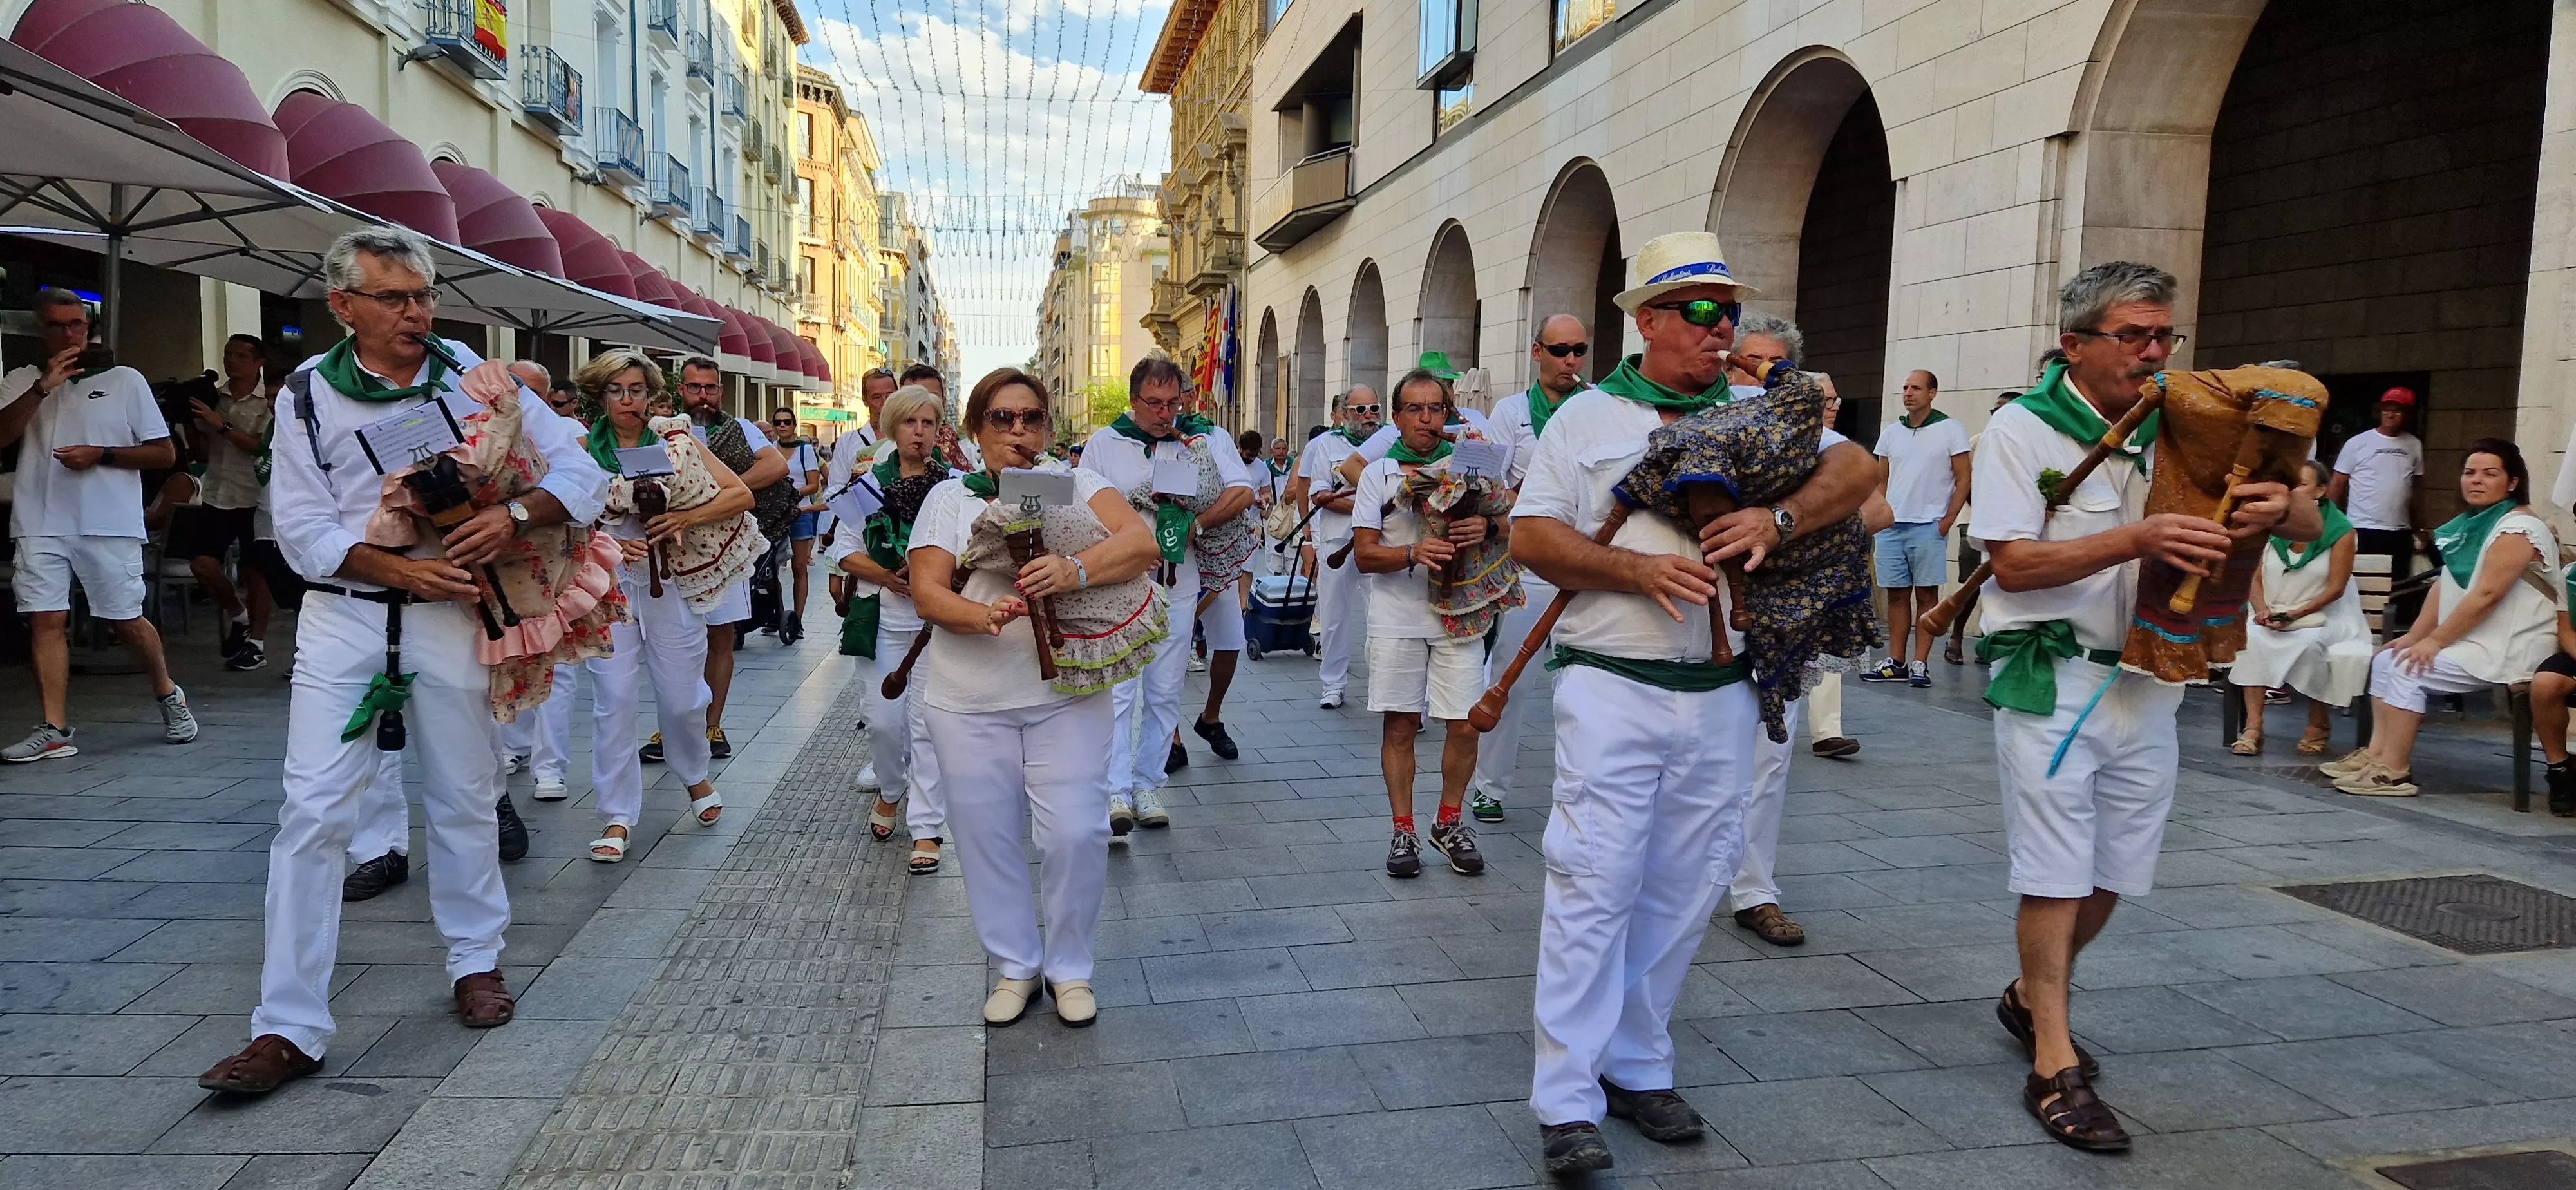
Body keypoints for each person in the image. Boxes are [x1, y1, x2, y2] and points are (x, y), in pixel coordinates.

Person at [198, 227, 610, 1095]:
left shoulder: (470, 372)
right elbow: (302, 526)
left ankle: (475, 960)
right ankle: (288, 1025)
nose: (417, 312)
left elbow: (583, 470)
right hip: (347, 621)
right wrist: (394, 569)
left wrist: (521, 516)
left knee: (465, 794)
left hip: (453, 620)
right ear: (344, 305)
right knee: (311, 813)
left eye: (424, 295)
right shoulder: (308, 391)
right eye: (395, 298)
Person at [1514, 232, 1876, 1175]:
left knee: (1685, 888)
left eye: (1732, 316)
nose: (1725, 334)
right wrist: (1631, 568)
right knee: (1594, 885)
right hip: (1610, 683)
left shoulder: (1763, 411)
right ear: (1649, 322)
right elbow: (1533, 539)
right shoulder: (1584, 420)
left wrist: (1781, 516)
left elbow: (1860, 475)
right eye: (1705, 314)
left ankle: (1639, 1066)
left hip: (1726, 690)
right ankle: (1565, 1099)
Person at [1970, 261, 2307, 1151]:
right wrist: (2137, 536)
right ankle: (2053, 1058)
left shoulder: (2184, 420)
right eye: (2136, 337)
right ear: (2074, 345)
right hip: (2053, 677)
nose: (2156, 354)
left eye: (2166, 337)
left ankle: (2028, 993)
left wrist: (2284, 506)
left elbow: (2318, 527)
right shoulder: (2020, 429)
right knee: (2053, 868)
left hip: (2153, 674)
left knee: (2118, 868)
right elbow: (2010, 565)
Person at [911, 368, 1161, 1028]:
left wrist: (1074, 568)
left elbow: (1140, 544)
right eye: (1001, 419)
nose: (1017, 431)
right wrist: (979, 617)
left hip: (1068, 691)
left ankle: (1070, 968)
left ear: (1048, 429)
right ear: (975, 431)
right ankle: (1015, 965)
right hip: (967, 699)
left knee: (1076, 833)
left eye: (1031, 419)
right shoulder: (948, 497)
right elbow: (929, 591)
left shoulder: (1078, 484)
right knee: (986, 839)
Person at [0, 288, 193, 762]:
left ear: (90, 327)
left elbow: (164, 453)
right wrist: (43, 387)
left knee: (125, 620)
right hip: (39, 519)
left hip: (107, 520)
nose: (69, 333)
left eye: (77, 324)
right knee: (45, 620)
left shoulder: (126, 380)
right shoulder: (23, 379)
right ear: (39, 329)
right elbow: (2, 435)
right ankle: (55, 727)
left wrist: (101, 456)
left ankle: (168, 692)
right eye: (58, 325)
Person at [2324, 440, 2561, 797]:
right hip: (2474, 640)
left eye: (2490, 474)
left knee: (2407, 670)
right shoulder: (2473, 524)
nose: (2476, 480)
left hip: (2512, 645)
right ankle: (2376, 755)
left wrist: (2435, 641)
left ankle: (2395, 771)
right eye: (2470, 473)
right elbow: (2445, 585)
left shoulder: (2519, 527)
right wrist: (2414, 636)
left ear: (2513, 483)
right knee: (2390, 658)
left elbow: (2487, 594)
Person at [1078, 357, 1255, 831]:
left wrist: (1197, 523)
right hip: (1121, 583)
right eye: (1153, 403)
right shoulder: (1105, 442)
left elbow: (1242, 492)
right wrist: (1127, 543)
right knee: (1117, 690)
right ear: (1134, 400)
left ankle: (1147, 784)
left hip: (1180, 579)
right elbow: (1083, 509)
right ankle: (1114, 791)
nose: (1164, 412)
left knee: (1165, 686)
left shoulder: (1203, 438)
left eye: (1173, 402)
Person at [1350, 368, 1511, 878]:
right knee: (1400, 724)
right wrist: (1413, 552)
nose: (1425, 418)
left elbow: (1515, 521)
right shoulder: (1379, 474)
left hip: (1460, 614)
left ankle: (1448, 822)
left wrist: (1486, 523)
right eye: (1414, 409)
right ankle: (1403, 830)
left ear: (1449, 414)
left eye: (1435, 408)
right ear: (1395, 418)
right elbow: (1363, 555)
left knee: (1465, 724)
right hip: (1397, 618)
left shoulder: (1471, 461)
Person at [1472, 314, 1591, 822]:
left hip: (1586, 566)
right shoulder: (1510, 412)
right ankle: (1489, 786)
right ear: (1537, 352)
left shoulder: (1598, 407)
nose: (1571, 360)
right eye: (1561, 350)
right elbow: (1485, 490)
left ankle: (1578, 789)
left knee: (1583, 685)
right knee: (1509, 676)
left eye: (1579, 350)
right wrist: (1523, 498)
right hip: (1526, 569)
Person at [840, 385, 954, 875]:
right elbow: (843, 548)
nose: (920, 432)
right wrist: (886, 575)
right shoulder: (866, 483)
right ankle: (890, 790)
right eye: (910, 423)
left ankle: (926, 825)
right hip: (881, 618)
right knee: (885, 724)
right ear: (892, 427)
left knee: (929, 727)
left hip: (937, 627)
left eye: (928, 423)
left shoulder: (954, 486)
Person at [648, 357, 786, 764]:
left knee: (721, 638)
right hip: (675, 553)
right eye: (695, 388)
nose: (703, 397)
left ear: (720, 391)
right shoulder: (663, 432)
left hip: (725, 551)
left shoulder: (739, 429)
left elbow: (776, 466)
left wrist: (725, 492)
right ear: (681, 391)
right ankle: (674, 725)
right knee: (674, 644)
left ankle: (712, 723)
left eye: (710, 388)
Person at [2230, 461, 2367, 756]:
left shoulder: (2341, 531)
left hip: (2323, 617)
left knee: (2309, 645)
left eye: (2302, 485)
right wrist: (2263, 609)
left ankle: (2318, 724)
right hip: (2272, 612)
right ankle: (2253, 727)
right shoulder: (2272, 521)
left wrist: (2295, 615)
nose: (2294, 491)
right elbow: (2253, 573)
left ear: (2321, 490)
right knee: (2250, 638)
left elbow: (2336, 589)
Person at [174, 332, 278, 672]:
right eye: (228, 354)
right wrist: (190, 422)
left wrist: (221, 426)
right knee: (202, 565)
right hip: (218, 493)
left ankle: (257, 644)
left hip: (256, 496)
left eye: (240, 356)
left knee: (255, 572)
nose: (231, 361)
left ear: (258, 363)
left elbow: (260, 446)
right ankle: (239, 615)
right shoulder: (212, 397)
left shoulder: (271, 401)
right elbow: (201, 451)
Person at [1861, 369, 1971, 689]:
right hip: (1892, 526)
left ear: (1933, 393)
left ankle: (1921, 664)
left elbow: (1964, 477)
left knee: (1927, 596)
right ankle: (1897, 663)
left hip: (1929, 526)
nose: (1909, 393)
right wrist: (1878, 516)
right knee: (1896, 596)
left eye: (1917, 388)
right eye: (1906, 387)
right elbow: (1881, 479)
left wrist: (1948, 520)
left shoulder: (1951, 429)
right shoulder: (1892, 432)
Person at [1289, 387, 1382, 708]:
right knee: (1334, 616)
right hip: (1337, 541)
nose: (1369, 416)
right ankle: (1333, 684)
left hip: (1381, 542)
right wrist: (1366, 510)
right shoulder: (1324, 445)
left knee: (1383, 614)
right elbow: (1318, 494)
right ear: (1345, 412)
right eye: (1361, 410)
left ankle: (1385, 687)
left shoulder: (1389, 443)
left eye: (1374, 408)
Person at [2329, 386, 2426, 621]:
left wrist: (2420, 529)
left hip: (2399, 532)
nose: (2391, 415)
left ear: (2409, 415)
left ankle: (2394, 639)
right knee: (2363, 587)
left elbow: (2416, 490)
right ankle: (2360, 632)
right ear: (2379, 411)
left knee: (2400, 588)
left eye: (2398, 411)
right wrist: (2330, 523)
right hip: (2363, 528)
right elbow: (2337, 484)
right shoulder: (2358, 443)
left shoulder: (2414, 445)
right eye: (2387, 409)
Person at [1946, 388, 2025, 665]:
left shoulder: (2026, 446)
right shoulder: (1978, 443)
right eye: (1995, 411)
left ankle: (1990, 641)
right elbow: (1964, 483)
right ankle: (1956, 636)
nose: (1998, 416)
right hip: (1975, 522)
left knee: (2006, 585)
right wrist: (1985, 512)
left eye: (2005, 410)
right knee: (1972, 584)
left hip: (2014, 527)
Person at [829, 367, 900, 617]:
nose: (883, 403)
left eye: (889, 395)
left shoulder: (905, 436)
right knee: (838, 591)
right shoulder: (849, 441)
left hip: (896, 529)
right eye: (876, 397)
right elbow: (835, 488)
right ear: (866, 400)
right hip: (857, 524)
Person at [770, 405, 824, 643]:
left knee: (799, 567)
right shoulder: (770, 450)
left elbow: (814, 484)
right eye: (778, 422)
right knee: (771, 567)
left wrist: (791, 494)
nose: (782, 426)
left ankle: (798, 620)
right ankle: (780, 616)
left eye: (787, 422)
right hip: (775, 514)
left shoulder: (805, 451)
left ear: (794, 425)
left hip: (799, 512)